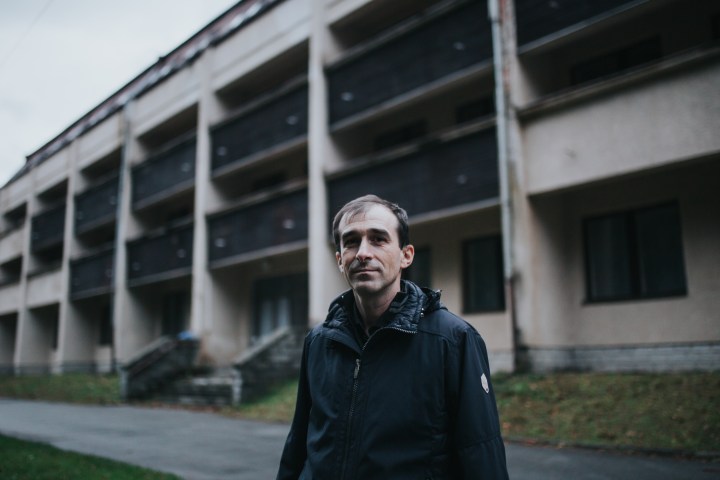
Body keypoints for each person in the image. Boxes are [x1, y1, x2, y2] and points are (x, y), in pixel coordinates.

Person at [277, 194, 509, 479]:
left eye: (378, 239)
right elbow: (298, 443)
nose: (363, 252)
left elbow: (480, 454)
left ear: (406, 255)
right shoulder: (319, 341)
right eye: (351, 241)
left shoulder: (452, 340)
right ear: (340, 260)